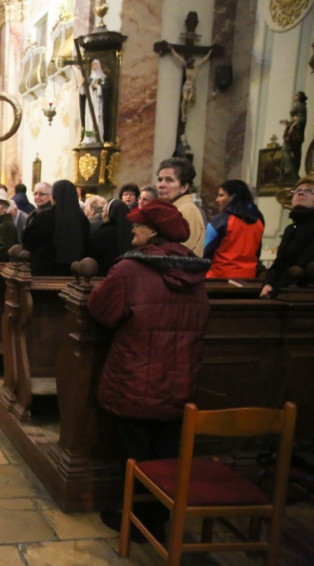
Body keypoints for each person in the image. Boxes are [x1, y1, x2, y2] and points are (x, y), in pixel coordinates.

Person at [88, 199, 210, 539]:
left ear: (153, 232)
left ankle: (135, 520)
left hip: (136, 377)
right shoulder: (194, 271)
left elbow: (101, 311)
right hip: (180, 377)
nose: (133, 229)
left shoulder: (130, 270)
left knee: (134, 454)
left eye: (139, 224)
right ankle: (158, 515)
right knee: (167, 452)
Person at [260, 174, 314, 298]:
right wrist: (268, 283)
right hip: (281, 291)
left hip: (302, 296)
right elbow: (279, 262)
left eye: (308, 191)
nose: (300, 193)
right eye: (297, 191)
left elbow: (302, 264)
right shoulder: (291, 229)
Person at [22, 179, 89, 275]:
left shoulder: (45, 217)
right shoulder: (83, 220)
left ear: (53, 196)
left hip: (44, 270)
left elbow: (27, 239)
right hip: (74, 273)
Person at [204, 179, 264, 279]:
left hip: (219, 278)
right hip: (248, 278)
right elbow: (257, 252)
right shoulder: (258, 220)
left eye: (221, 195)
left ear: (233, 197)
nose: (217, 200)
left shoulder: (221, 220)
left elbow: (206, 251)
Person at [156, 157, 205, 257]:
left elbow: (179, 253)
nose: (161, 185)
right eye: (160, 180)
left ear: (184, 187)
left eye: (169, 180)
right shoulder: (173, 208)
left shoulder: (186, 210)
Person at [89, 199, 133, 276]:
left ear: (110, 214)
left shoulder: (101, 233)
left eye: (103, 211)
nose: (102, 214)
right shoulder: (133, 233)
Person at [168, 46, 213, 123]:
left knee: (188, 100)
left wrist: (210, 52)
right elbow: (178, 57)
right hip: (186, 85)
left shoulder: (197, 66)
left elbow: (204, 59)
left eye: (191, 64)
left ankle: (186, 114)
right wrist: (172, 50)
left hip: (192, 87)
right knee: (185, 99)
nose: (190, 66)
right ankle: (183, 115)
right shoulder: (186, 66)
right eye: (189, 65)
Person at [281, 91, 307, 179]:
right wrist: (288, 124)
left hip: (295, 136)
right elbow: (295, 121)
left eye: (296, 95)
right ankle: (290, 171)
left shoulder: (300, 106)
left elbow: (300, 121)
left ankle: (291, 171)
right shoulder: (299, 111)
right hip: (294, 135)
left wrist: (292, 126)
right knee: (291, 151)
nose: (294, 97)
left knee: (289, 150)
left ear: (299, 98)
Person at [82, 59, 107, 143]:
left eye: (95, 64)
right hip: (89, 102)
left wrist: (98, 87)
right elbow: (82, 92)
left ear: (99, 66)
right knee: (89, 119)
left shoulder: (103, 78)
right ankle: (89, 138)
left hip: (98, 102)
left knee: (97, 118)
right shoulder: (89, 79)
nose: (94, 66)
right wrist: (82, 84)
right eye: (92, 64)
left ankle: (98, 138)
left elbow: (106, 90)